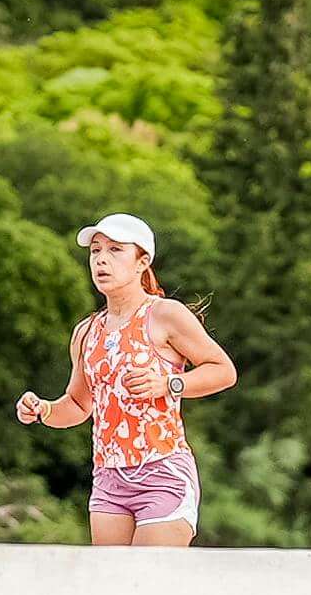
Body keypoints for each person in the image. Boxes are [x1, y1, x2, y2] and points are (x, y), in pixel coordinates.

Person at [14, 212, 236, 547]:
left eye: (115, 250)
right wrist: (43, 409)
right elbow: (77, 404)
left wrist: (169, 384)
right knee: (112, 591)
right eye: (95, 251)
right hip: (109, 479)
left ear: (141, 261)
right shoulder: (86, 332)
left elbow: (223, 370)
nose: (101, 259)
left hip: (163, 472)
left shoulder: (165, 314)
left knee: (148, 586)